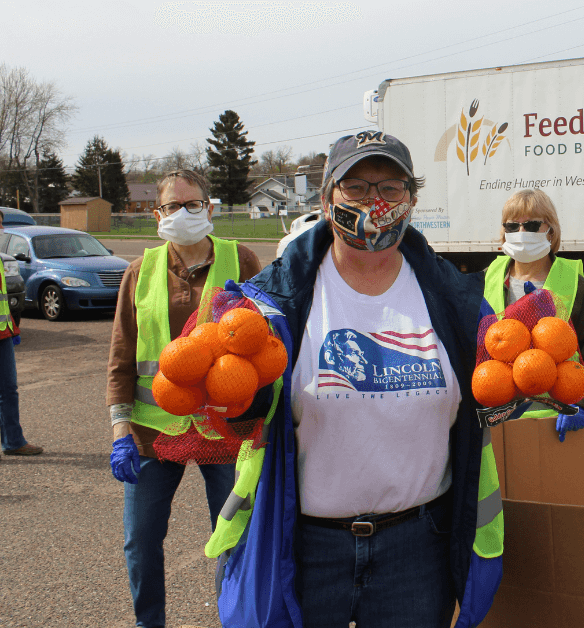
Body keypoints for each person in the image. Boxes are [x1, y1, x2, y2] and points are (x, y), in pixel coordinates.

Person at [204, 131, 502, 628]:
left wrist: (507, 400)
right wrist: (234, 405)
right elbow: (253, 411)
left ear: (411, 199)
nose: (375, 202)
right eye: (357, 187)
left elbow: (482, 400)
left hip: (416, 549)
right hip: (306, 545)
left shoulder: (456, 301)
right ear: (326, 200)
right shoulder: (276, 302)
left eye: (391, 187)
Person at [106, 169, 262, 628]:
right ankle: (148, 623)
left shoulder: (244, 260)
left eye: (192, 204)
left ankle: (239, 618)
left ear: (209, 208)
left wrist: (267, 419)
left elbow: (274, 345)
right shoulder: (140, 271)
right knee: (140, 540)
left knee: (237, 538)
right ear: (158, 214)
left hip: (229, 429)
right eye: (172, 206)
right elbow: (121, 356)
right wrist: (120, 431)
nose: (182, 213)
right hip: (152, 432)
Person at [486, 189, 584, 441]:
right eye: (513, 226)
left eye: (533, 224)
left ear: (551, 230)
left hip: (556, 424)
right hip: (496, 423)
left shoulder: (575, 286)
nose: (522, 233)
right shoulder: (486, 280)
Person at [0, 221, 41, 457]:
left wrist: (12, 328)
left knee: (8, 390)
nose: (1, 229)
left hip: (4, 333)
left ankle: (14, 441)